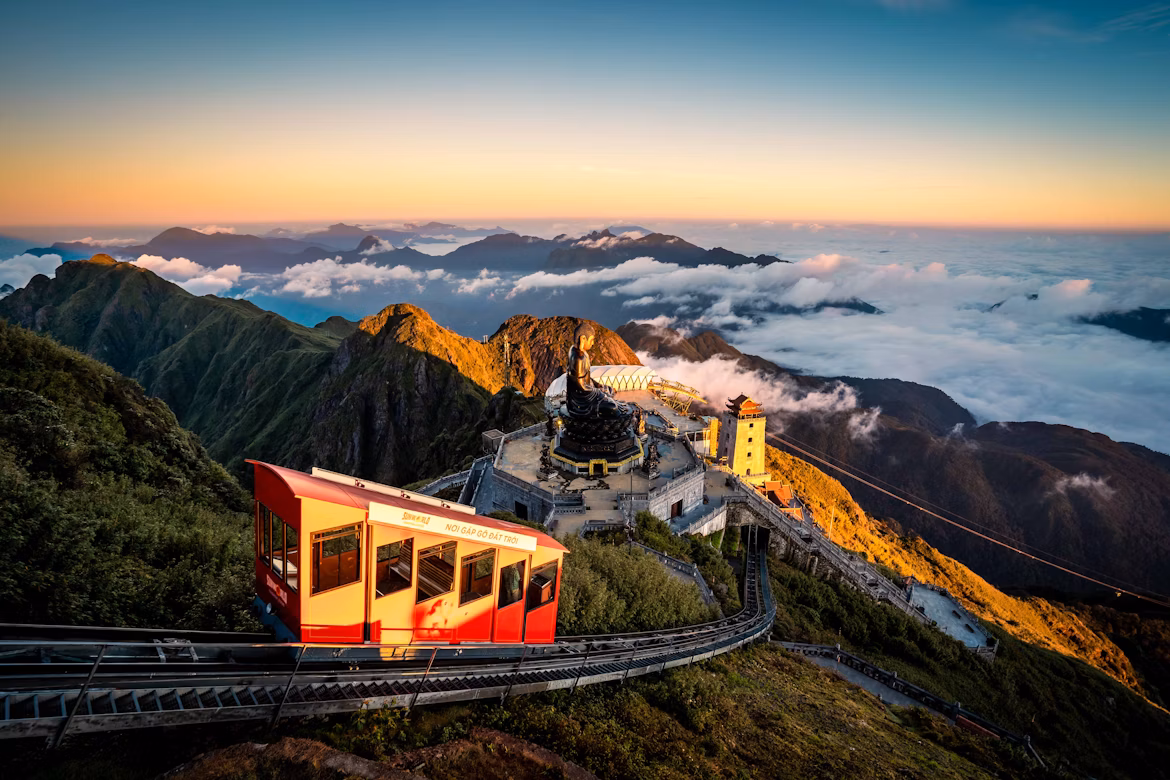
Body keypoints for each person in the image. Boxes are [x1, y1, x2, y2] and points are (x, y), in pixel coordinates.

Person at [566, 322, 629, 419]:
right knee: (612, 407)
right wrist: (598, 392)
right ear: (583, 339)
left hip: (586, 392)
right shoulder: (578, 358)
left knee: (608, 390)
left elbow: (585, 377)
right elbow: (580, 386)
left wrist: (597, 384)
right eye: (591, 340)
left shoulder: (580, 353)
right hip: (580, 400)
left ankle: (607, 397)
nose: (592, 343)